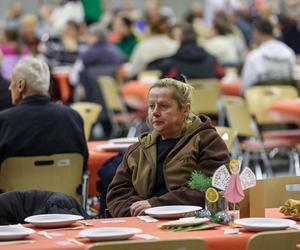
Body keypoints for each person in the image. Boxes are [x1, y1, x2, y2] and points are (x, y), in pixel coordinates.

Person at [106, 78, 230, 217]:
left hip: (191, 222)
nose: (155, 113)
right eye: (151, 106)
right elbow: (117, 193)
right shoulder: (139, 149)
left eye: (164, 106)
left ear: (185, 110)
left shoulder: (207, 140)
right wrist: (135, 213)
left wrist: (156, 205)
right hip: (143, 224)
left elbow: (208, 188)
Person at [0, 57, 88, 167]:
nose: (9, 87)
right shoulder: (73, 117)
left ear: (21, 85)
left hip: (16, 184)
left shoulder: (5, 121)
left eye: (12, 81)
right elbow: (82, 164)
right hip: (61, 183)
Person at [241, 18, 296, 94]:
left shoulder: (254, 56)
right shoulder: (289, 52)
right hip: (285, 98)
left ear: (258, 33)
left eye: (254, 33)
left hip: (258, 101)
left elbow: (245, 87)